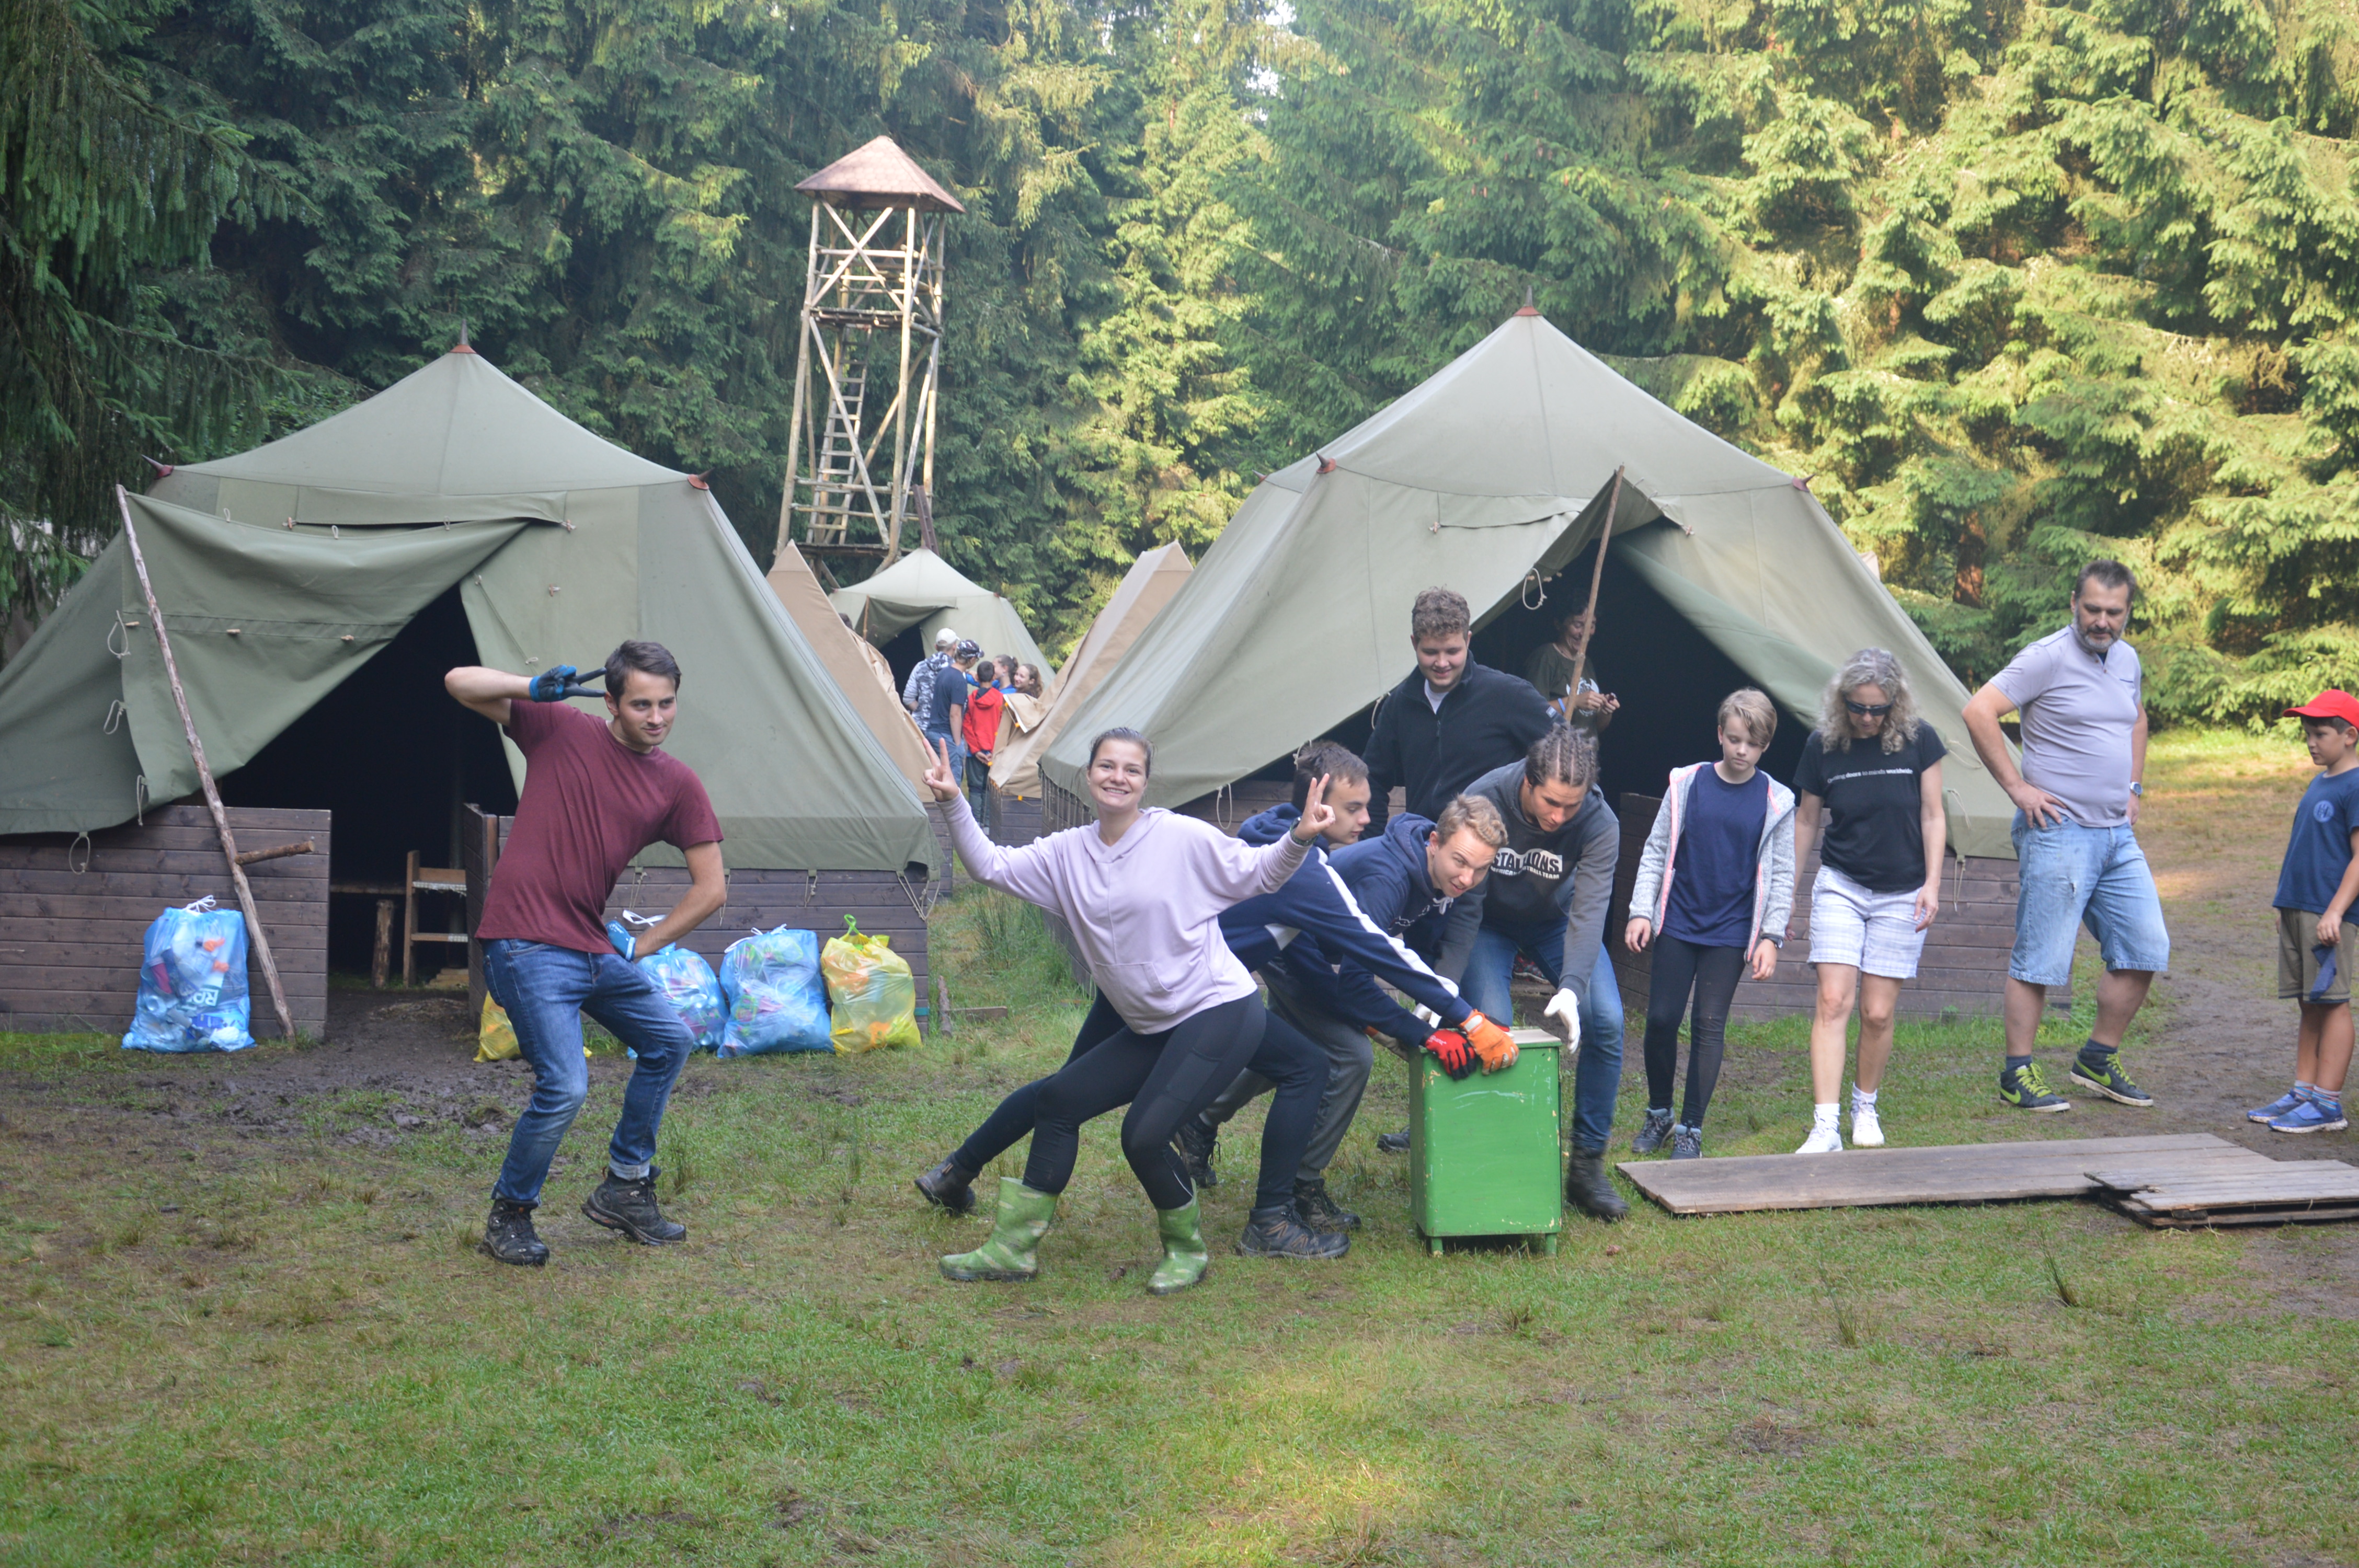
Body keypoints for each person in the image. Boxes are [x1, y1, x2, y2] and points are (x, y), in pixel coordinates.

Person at [911, 730, 1355, 1294]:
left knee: (1143, 1135)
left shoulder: (1180, 837)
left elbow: (1259, 872)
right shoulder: (1066, 853)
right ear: (1089, 775)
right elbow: (989, 867)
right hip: (1150, 1021)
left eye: (1131, 769)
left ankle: (1186, 1250)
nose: (1118, 777)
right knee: (1057, 1102)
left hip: (1218, 1008)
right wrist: (954, 801)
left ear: (1146, 782)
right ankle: (1013, 1248)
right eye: (1107, 766)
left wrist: (1300, 836)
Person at [445, 642, 726, 1265]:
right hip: (524, 940)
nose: (657, 718)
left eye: (667, 704)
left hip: (593, 946)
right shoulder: (558, 728)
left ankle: (625, 1186)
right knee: (567, 1085)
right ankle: (510, 1213)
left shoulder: (677, 784)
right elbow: (458, 682)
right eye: (642, 705)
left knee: (669, 1041)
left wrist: (641, 946)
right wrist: (527, 687)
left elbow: (712, 889)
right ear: (611, 703)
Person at [1178, 746, 1515, 1229]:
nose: (1468, 878)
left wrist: (1434, 1012)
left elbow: (1412, 953)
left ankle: (1199, 1119)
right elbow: (1356, 985)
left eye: (1481, 869)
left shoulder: (1441, 871)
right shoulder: (1387, 879)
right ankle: (1301, 1185)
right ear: (1435, 842)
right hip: (1292, 955)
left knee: (1293, 1050)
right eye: (1461, 862)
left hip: (1317, 957)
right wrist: (1430, 1031)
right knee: (1350, 1056)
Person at [1962, 560, 2166, 1113]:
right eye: (2093, 609)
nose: (2102, 621)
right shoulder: (2046, 657)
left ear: (2127, 612)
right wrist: (2017, 788)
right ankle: (2017, 1073)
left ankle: (2097, 1058)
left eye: (2114, 612)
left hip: (2117, 834)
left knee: (2145, 947)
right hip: (2058, 830)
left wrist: (2134, 785)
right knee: (2041, 959)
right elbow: (1979, 711)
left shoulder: (2126, 659)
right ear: (2075, 603)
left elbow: (2137, 719)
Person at [1434, 726, 1628, 1219]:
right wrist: (1443, 983)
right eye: (1551, 803)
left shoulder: (1599, 821)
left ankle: (1586, 1168)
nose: (1559, 817)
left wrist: (1573, 987)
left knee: (1606, 1019)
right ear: (1528, 780)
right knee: (1493, 1025)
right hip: (1487, 922)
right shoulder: (1485, 798)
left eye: (1571, 806)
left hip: (1556, 922)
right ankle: (1491, 1158)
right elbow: (1465, 905)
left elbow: (1590, 911)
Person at [1625, 688, 1796, 1160]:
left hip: (1732, 930)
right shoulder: (1687, 783)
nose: (1742, 750)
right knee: (1662, 1019)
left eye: (1753, 744)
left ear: (1765, 746)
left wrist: (1771, 936)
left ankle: (1691, 1129)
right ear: (1720, 734)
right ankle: (1660, 1113)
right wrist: (1641, 911)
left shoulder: (1777, 800)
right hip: (1679, 920)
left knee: (1709, 1022)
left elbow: (1782, 874)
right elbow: (1657, 850)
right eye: (1735, 739)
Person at [1790, 649, 1948, 1153]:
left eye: (1877, 709)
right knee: (1834, 1001)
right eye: (1857, 707)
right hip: (1842, 884)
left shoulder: (1920, 740)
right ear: (1843, 701)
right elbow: (1806, 820)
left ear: (1895, 704)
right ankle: (1825, 1125)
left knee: (1877, 1013)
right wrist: (1788, 894)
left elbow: (1932, 815)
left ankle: (1865, 1106)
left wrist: (1933, 884)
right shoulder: (1823, 745)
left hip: (1903, 890)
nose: (1866, 718)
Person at [1364, 587, 1556, 836]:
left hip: (1492, 849)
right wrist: (1373, 843)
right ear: (1414, 643)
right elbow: (1371, 777)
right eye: (1430, 652)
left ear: (1468, 640)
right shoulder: (1400, 704)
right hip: (1422, 848)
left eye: (1452, 651)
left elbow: (1568, 754)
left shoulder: (1509, 695)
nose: (1442, 663)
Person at [2252, 691, 2359, 1134]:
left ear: (2350, 736)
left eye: (2320, 734)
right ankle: (2304, 1091)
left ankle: (2328, 1104)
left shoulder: (2355, 785)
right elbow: (2305, 848)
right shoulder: (2320, 782)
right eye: (2307, 734)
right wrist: (2287, 904)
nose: (2311, 742)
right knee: (2309, 1002)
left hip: (2329, 916)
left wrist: (2335, 911)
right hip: (2300, 909)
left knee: (2332, 1003)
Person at [1523, 599, 1619, 734]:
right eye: (1578, 625)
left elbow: (1597, 728)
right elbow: (1532, 713)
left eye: (1591, 626)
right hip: (1557, 746)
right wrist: (1573, 702)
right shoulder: (1547, 656)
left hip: (1585, 748)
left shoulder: (1586, 662)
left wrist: (1605, 711)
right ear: (1559, 624)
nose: (1585, 633)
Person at [923, 640, 980, 786]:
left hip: (933, 731)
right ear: (972, 660)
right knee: (952, 784)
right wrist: (957, 744)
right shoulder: (959, 680)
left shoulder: (945, 672)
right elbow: (955, 714)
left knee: (939, 780)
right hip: (946, 735)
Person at [964, 653, 1007, 832]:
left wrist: (975, 750)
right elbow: (1004, 726)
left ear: (977, 678)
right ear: (994, 677)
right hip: (994, 752)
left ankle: (974, 827)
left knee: (975, 789)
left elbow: (967, 725)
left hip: (975, 753)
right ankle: (988, 825)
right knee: (990, 789)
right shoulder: (1000, 699)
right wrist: (996, 750)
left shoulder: (971, 699)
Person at [903, 626, 959, 717]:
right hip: (946, 725)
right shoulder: (957, 671)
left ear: (936, 646)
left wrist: (923, 714)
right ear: (954, 646)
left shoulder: (920, 666)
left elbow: (908, 698)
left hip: (920, 724)